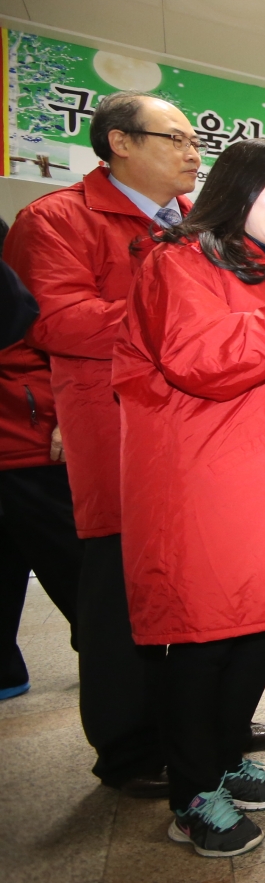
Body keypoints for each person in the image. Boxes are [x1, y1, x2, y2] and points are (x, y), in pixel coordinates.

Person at [2, 91, 265, 795]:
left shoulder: (200, 224)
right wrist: (177, 313)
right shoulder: (58, 218)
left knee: (203, 585)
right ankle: (128, 747)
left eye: (197, 142)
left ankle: (205, 724)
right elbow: (53, 322)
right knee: (117, 596)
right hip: (116, 430)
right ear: (120, 142)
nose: (194, 153)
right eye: (176, 138)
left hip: (204, 433)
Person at [115, 140, 265, 856]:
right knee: (207, 638)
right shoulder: (179, 261)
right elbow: (203, 359)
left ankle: (220, 757)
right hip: (208, 485)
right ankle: (191, 793)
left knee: (263, 626)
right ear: (232, 188)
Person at [0, 217, 82, 702]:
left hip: (24, 431)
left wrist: (62, 412)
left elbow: (38, 325)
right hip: (23, 427)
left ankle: (116, 662)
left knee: (75, 567)